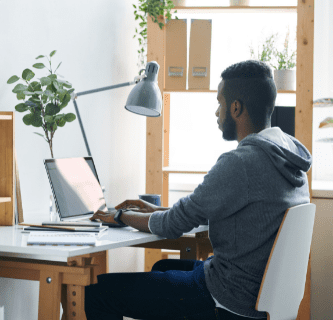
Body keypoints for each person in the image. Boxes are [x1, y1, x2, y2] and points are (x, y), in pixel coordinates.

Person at [85, 60, 312, 320]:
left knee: (98, 293)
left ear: (236, 108)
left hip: (228, 298)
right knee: (162, 266)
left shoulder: (241, 162)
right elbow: (211, 212)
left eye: (220, 103)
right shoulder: (289, 158)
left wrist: (118, 216)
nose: (217, 112)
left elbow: (172, 226)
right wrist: (157, 209)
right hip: (255, 291)